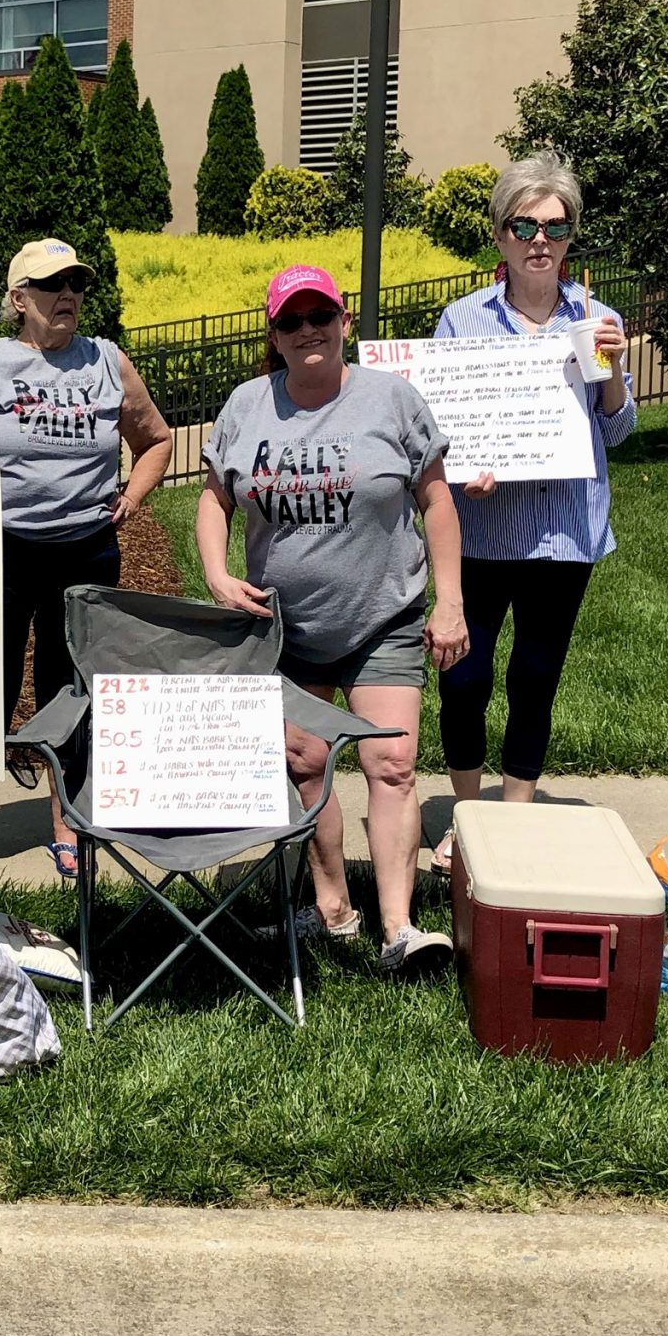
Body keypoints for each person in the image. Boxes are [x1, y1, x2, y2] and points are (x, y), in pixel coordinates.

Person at [197, 265, 468, 970]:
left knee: (393, 763)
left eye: (321, 316)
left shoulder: (392, 400)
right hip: (285, 625)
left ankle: (399, 927)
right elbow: (214, 498)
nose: (308, 331)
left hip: (382, 616)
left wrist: (450, 600)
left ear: (345, 322)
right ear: (274, 334)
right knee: (302, 762)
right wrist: (217, 572)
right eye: (291, 321)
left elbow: (436, 500)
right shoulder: (246, 406)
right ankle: (330, 909)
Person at [0, 238, 172, 882]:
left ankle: (66, 824)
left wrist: (131, 498)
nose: (66, 295)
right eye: (50, 285)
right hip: (1, 550)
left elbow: (155, 440)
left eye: (75, 284)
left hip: (86, 553)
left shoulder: (107, 362)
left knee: (73, 690)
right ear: (19, 300)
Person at [428, 155, 634, 863]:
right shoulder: (461, 321)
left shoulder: (597, 318)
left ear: (572, 234)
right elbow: (441, 429)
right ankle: (465, 813)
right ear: (501, 235)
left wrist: (610, 370)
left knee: (535, 677)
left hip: (563, 532)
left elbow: (613, 432)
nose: (540, 239)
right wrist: (463, 473)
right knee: (464, 676)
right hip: (483, 526)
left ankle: (511, 819)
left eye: (555, 225)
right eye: (524, 225)